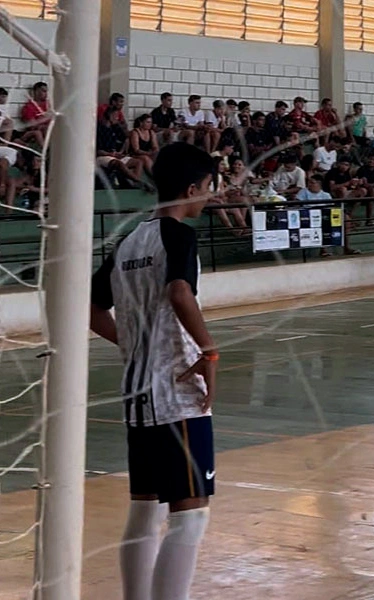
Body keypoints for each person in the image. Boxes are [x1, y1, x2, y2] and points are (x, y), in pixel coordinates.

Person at [89, 142, 218, 600]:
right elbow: (181, 291)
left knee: (144, 511)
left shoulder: (128, 242)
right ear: (190, 188)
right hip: (176, 393)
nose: (208, 196)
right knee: (190, 514)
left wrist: (132, 343)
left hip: (136, 393)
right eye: (206, 188)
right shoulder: (177, 235)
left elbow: (90, 307)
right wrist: (208, 349)